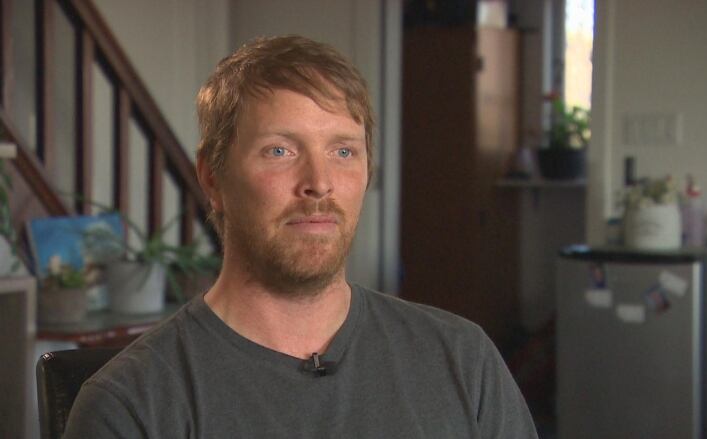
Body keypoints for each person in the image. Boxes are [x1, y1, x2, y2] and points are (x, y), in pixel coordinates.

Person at [65, 35, 538, 439]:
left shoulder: (462, 360)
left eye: (343, 151)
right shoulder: (132, 405)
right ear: (212, 178)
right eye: (280, 150)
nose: (319, 180)